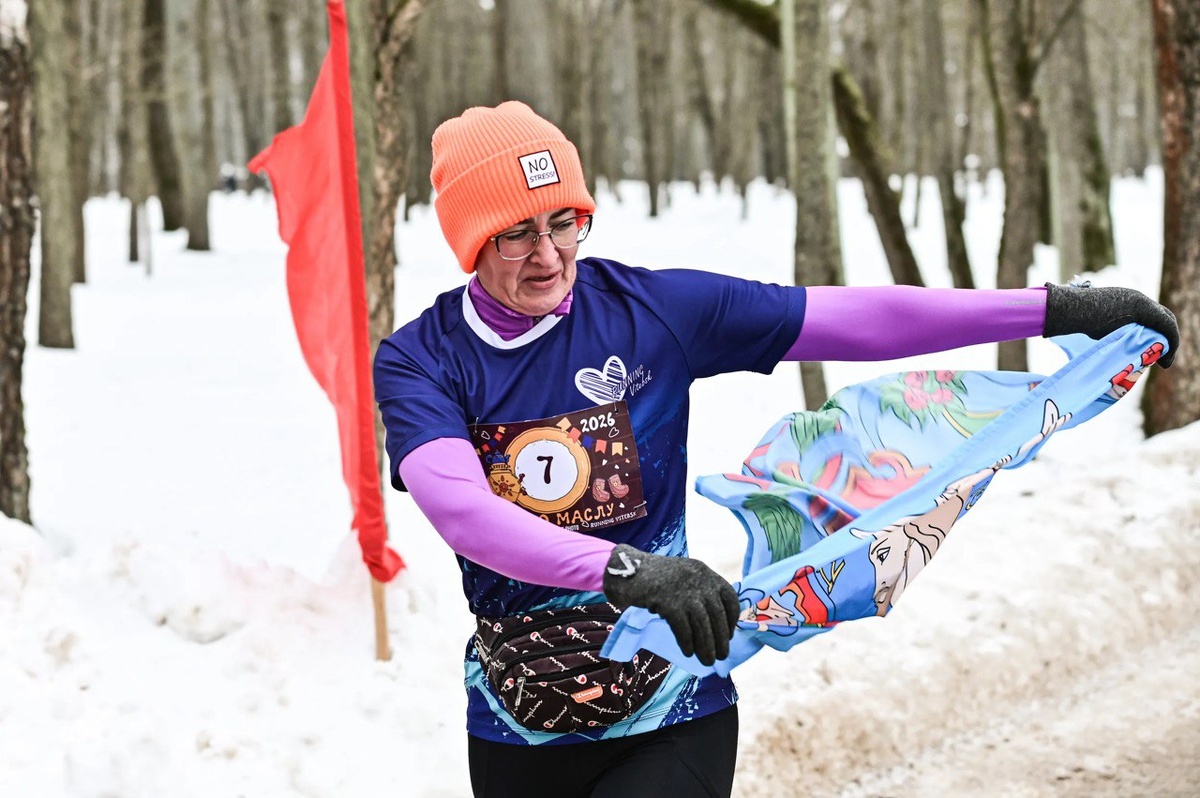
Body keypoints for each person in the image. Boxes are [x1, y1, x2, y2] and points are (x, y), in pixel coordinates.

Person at [372, 101, 1179, 798]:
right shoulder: (422, 361)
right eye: (516, 234)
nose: (550, 256)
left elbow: (857, 319)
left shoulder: (651, 312)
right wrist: (627, 570)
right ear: (471, 241)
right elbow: (465, 513)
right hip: (520, 722)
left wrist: (1051, 308)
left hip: (672, 703)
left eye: (564, 223)